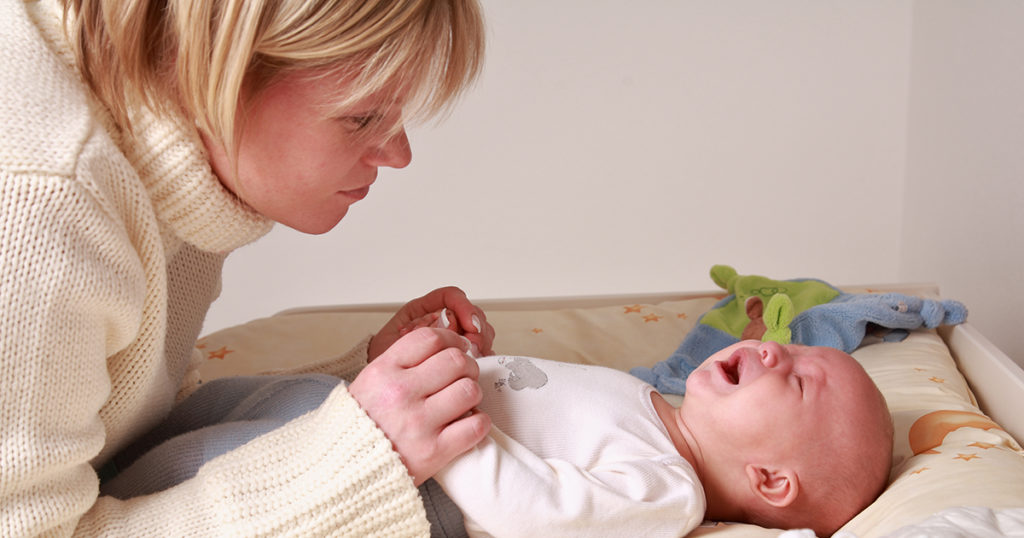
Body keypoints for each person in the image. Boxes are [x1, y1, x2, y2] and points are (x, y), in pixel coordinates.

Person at [0, 0, 492, 535]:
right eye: (362, 117)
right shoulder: (43, 198)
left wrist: (369, 384)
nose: (398, 154)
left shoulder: (181, 149)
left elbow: (135, 430)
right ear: (219, 64)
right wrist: (358, 466)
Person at [432, 339, 894, 537]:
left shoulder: (669, 491)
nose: (772, 349)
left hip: (429, 487)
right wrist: (470, 359)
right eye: (793, 347)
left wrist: (447, 421)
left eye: (799, 382)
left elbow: (537, 515)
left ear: (770, 479)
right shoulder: (650, 401)